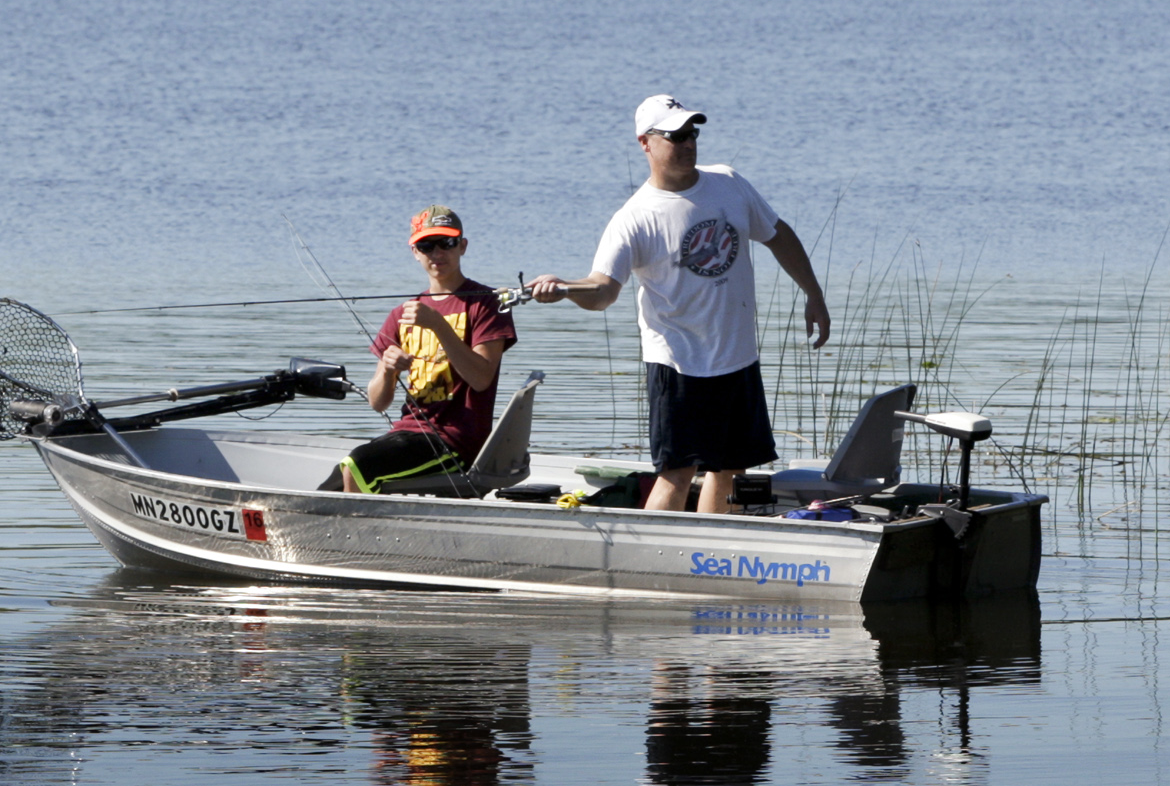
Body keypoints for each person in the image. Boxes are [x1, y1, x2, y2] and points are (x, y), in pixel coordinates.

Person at [531, 95, 830, 512]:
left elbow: (778, 234)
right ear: (645, 143)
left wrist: (813, 293)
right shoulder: (634, 217)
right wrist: (564, 288)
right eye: (675, 136)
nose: (688, 143)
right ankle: (651, 562)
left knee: (730, 470)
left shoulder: (728, 182)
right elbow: (602, 290)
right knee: (676, 473)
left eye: (692, 133)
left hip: (737, 357)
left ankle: (710, 555)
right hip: (678, 363)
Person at [337, 205, 518, 494]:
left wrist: (438, 325)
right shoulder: (401, 313)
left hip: (456, 443)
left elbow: (482, 378)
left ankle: (353, 536)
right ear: (415, 252)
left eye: (446, 243)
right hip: (408, 435)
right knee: (333, 482)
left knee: (359, 463)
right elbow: (377, 402)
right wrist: (387, 367)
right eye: (426, 245)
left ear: (463, 246)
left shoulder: (487, 303)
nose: (437, 253)